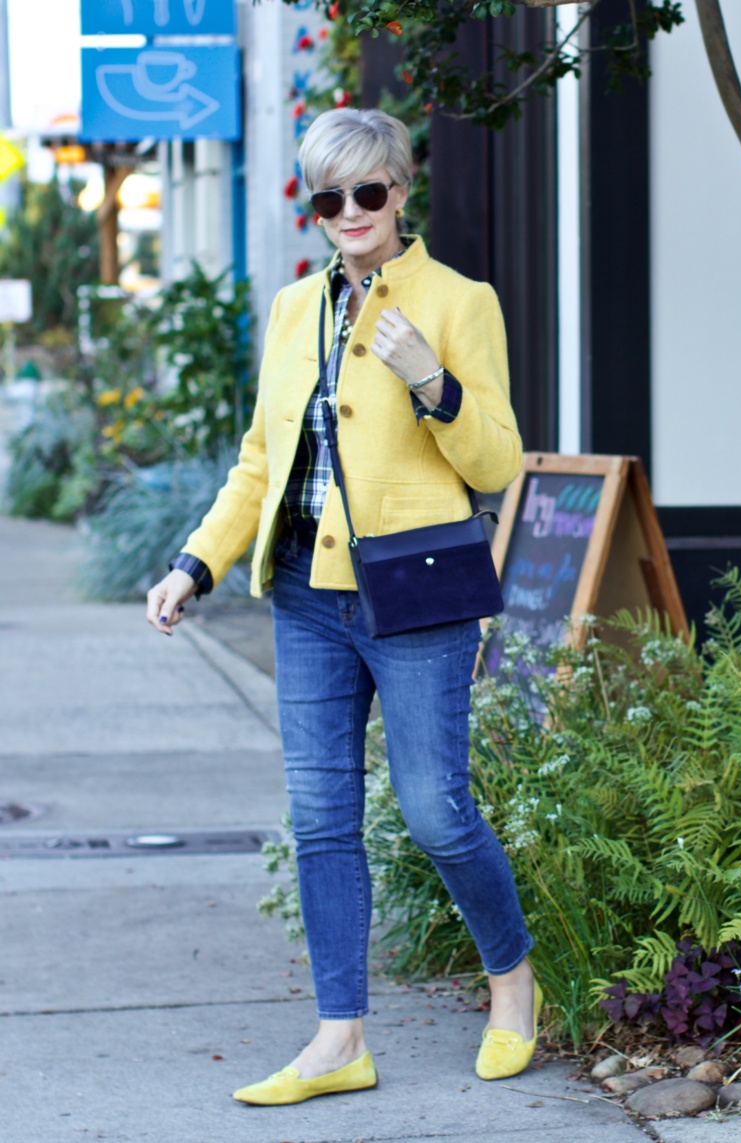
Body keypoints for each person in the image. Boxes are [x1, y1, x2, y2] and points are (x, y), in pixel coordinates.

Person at [144, 108, 539, 1105]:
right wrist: (195, 564)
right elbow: (260, 462)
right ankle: (339, 1038)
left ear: (402, 191)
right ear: (314, 207)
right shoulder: (291, 312)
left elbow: (499, 463)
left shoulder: (458, 301)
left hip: (416, 595)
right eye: (330, 197)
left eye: (368, 191)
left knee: (435, 812)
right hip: (307, 603)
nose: (350, 212)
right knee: (322, 820)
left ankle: (513, 981)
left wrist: (429, 380)